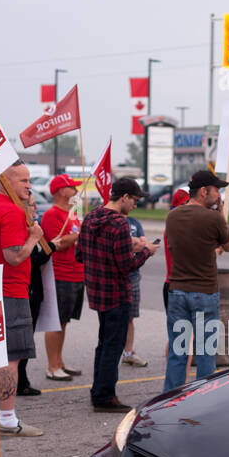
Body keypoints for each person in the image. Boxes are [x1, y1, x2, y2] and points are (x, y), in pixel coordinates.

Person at [0, 162, 44, 437]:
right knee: (10, 357)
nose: (28, 185)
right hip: (9, 290)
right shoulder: (11, 210)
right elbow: (14, 255)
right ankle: (9, 418)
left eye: (29, 179)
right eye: (22, 180)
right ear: (4, 181)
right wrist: (33, 238)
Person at [76, 176, 155, 412]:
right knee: (113, 346)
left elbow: (79, 255)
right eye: (134, 200)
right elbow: (127, 266)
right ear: (124, 197)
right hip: (117, 293)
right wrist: (147, 251)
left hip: (97, 293)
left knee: (104, 344)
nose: (135, 205)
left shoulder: (91, 217)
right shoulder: (119, 224)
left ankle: (98, 391)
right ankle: (104, 396)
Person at [162, 170, 229, 392]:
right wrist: (221, 214)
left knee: (178, 351)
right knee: (205, 351)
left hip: (177, 290)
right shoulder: (213, 218)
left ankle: (170, 397)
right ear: (204, 191)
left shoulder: (172, 216)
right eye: (217, 190)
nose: (219, 195)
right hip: (204, 292)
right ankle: (203, 397)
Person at [40, 174, 85, 381]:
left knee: (65, 321)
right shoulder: (52, 214)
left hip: (76, 273)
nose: (75, 190)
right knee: (56, 322)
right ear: (60, 191)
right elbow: (56, 243)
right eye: (71, 187)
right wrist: (78, 234)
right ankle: (52, 365)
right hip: (60, 274)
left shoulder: (72, 213)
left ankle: (60, 361)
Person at [17, 191, 53, 396]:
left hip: (34, 290)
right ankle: (20, 381)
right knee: (22, 339)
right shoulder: (23, 231)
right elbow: (27, 261)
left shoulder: (32, 229)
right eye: (31, 205)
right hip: (26, 290)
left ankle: (22, 379)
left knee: (27, 339)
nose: (36, 208)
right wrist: (52, 247)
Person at [122, 213, 149, 367]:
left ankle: (128, 352)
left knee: (130, 317)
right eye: (133, 199)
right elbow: (129, 246)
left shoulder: (134, 222)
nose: (135, 205)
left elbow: (141, 246)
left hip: (134, 276)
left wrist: (136, 243)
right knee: (115, 318)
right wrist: (134, 242)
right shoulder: (112, 221)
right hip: (118, 277)